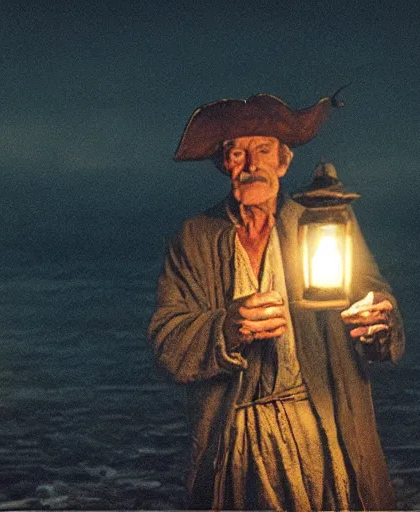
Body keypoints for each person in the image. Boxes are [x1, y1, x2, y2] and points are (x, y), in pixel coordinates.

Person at [148, 93, 406, 510]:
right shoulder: (194, 239)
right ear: (223, 165)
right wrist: (226, 328)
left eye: (263, 150)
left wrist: (377, 321)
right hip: (235, 440)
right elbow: (166, 339)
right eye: (237, 152)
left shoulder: (324, 222)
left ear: (283, 162)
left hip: (317, 426)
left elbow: (373, 297)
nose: (251, 164)